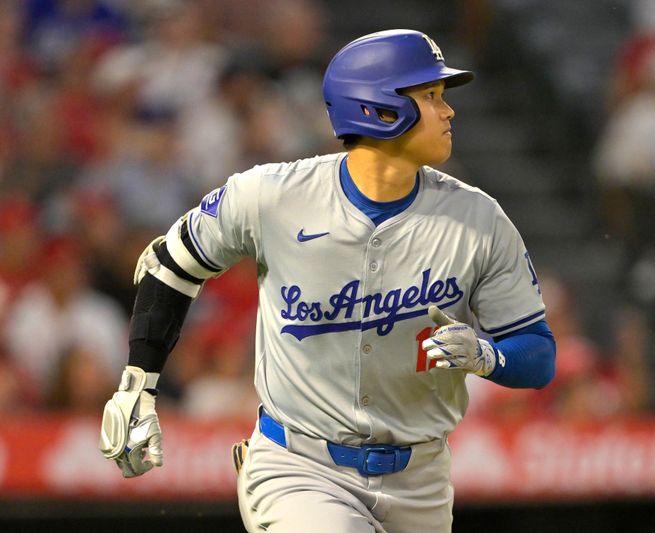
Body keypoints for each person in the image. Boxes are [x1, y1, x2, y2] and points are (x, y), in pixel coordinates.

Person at [99, 29, 556, 533]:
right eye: (431, 97)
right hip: (300, 467)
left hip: (422, 481)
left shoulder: (480, 219)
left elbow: (537, 352)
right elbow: (172, 263)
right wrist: (137, 388)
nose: (448, 112)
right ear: (380, 110)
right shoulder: (273, 196)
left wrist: (492, 356)